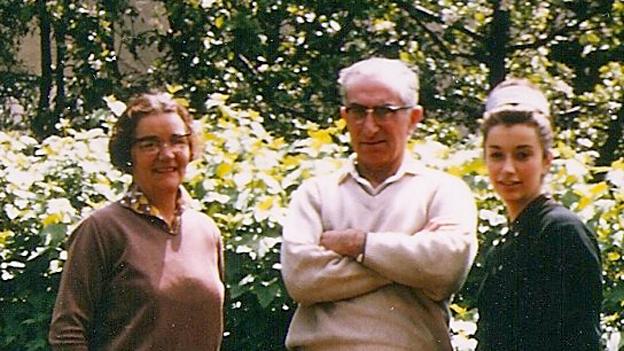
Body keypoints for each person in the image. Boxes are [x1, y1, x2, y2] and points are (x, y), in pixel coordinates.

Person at [280, 57, 478, 350]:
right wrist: (408, 262)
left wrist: (359, 245)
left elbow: (446, 268)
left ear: (413, 118)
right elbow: (301, 279)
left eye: (385, 112)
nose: (369, 127)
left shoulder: (443, 191)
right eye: (358, 111)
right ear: (344, 116)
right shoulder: (316, 194)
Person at [49, 92, 225, 350]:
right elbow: (67, 333)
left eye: (177, 141)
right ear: (128, 154)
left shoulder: (206, 231)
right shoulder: (103, 230)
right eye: (150, 144)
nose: (166, 154)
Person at [476, 78, 602, 350]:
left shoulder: (561, 232)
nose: (508, 169)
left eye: (522, 155)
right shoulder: (513, 237)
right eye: (497, 155)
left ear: (546, 160)